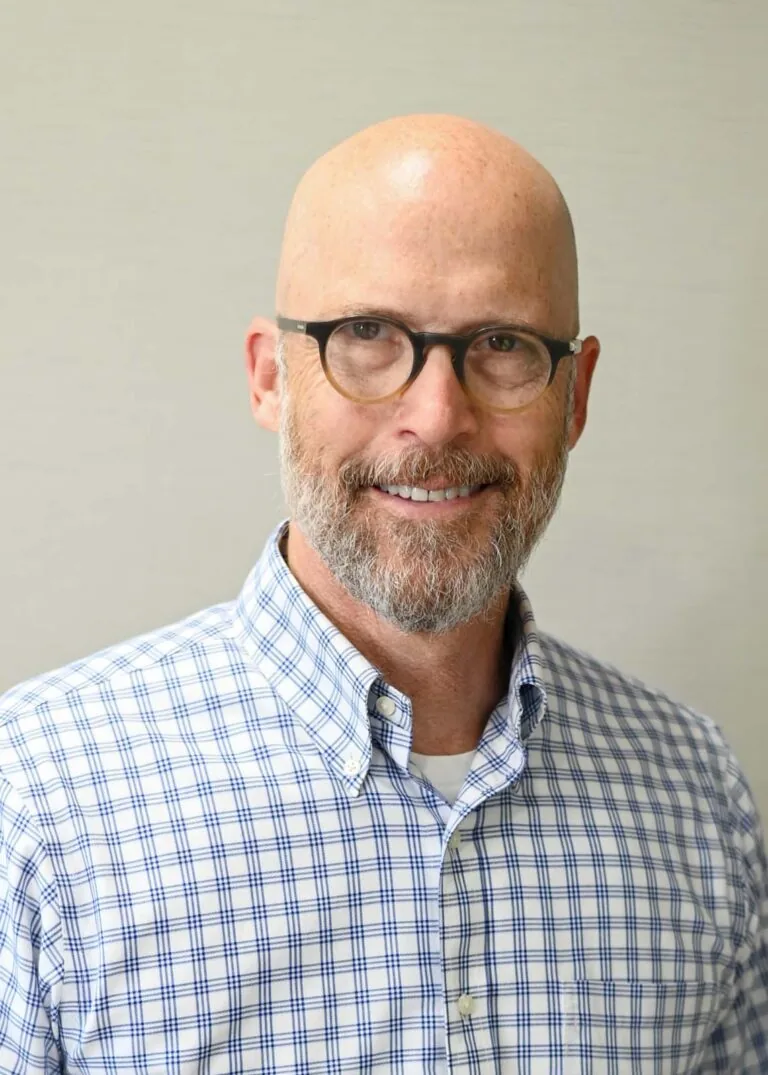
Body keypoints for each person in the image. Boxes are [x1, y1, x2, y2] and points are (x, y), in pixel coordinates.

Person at [0, 114, 765, 1074]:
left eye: (500, 342)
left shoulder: (698, 795)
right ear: (271, 375)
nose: (437, 415)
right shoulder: (36, 803)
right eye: (367, 334)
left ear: (575, 397)